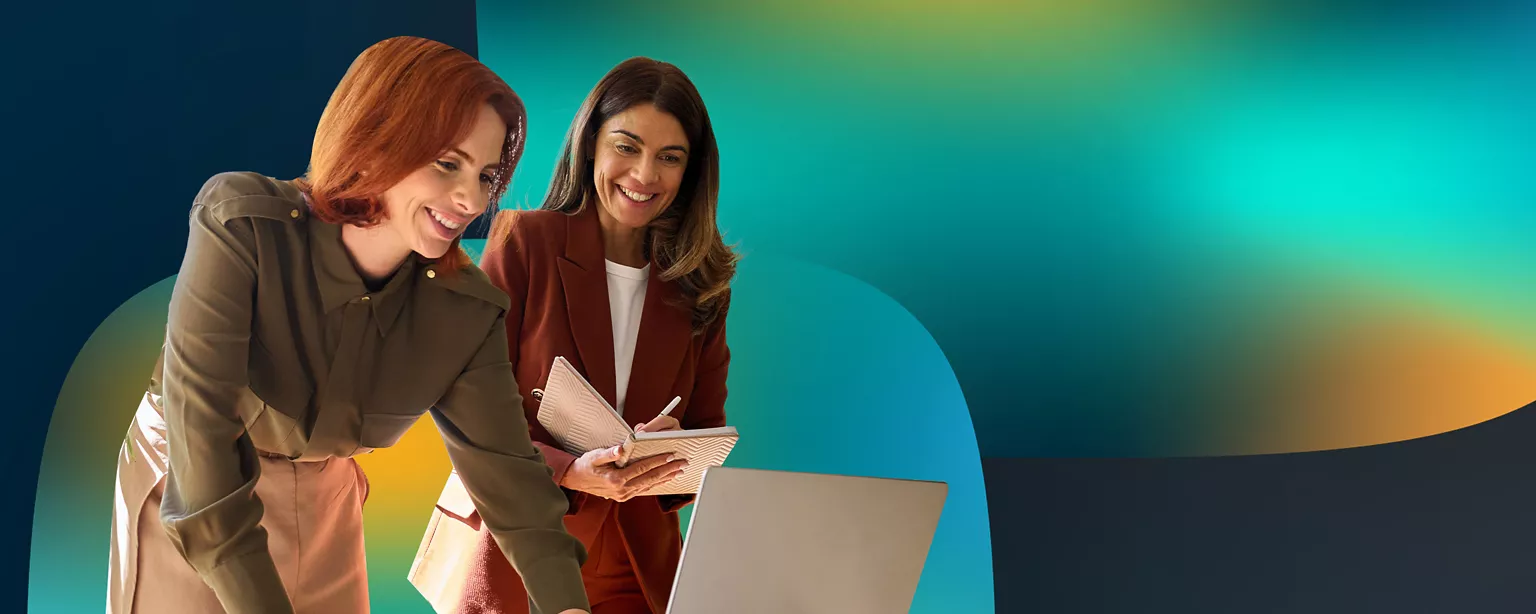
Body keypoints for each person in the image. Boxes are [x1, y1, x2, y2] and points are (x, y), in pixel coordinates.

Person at [105, 36, 591, 614]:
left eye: (486, 175)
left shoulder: (465, 310)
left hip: (325, 498)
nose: (469, 199)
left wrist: (568, 607)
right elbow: (202, 447)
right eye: (447, 163)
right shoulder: (243, 227)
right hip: (192, 490)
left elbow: (511, 482)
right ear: (378, 135)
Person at [416, 57, 738, 614]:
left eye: (669, 158)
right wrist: (570, 471)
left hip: (636, 568)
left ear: (691, 171)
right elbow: (467, 413)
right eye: (626, 146)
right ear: (591, 143)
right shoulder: (525, 245)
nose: (643, 176)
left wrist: (669, 451)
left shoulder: (700, 284)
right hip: (517, 547)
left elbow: (708, 432)